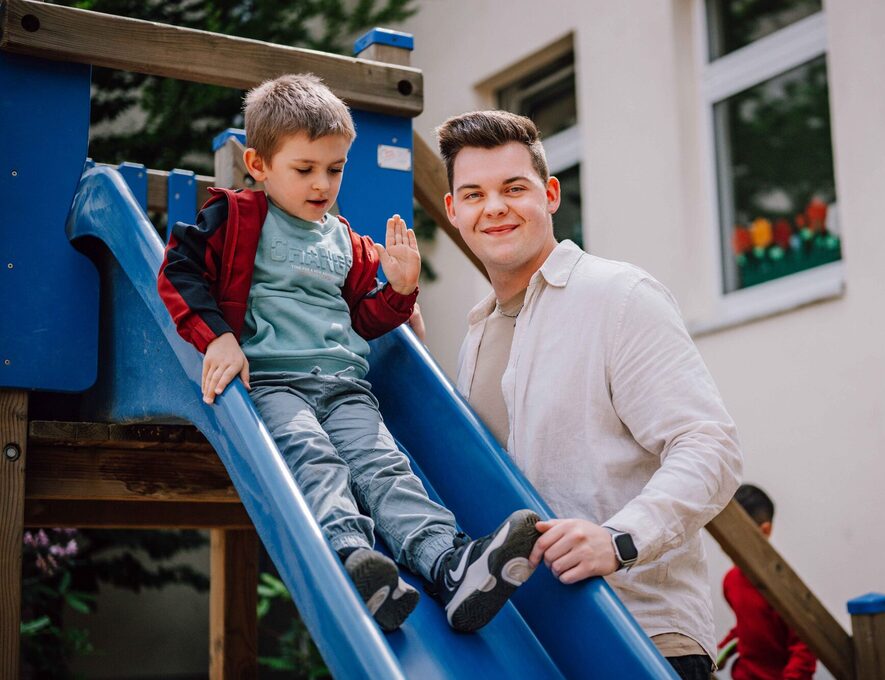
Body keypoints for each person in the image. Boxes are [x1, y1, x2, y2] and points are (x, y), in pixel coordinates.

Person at [157, 74, 541, 634]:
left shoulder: (347, 242)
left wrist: (400, 292)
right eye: (305, 169)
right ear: (259, 165)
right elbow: (178, 270)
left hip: (347, 388)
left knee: (385, 466)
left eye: (334, 169)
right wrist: (217, 336)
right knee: (314, 458)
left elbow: (363, 318)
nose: (322, 184)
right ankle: (353, 559)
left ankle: (447, 563)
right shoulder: (237, 218)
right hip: (274, 383)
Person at [437, 110, 743, 679]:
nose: (494, 207)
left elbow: (709, 446)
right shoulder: (475, 334)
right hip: (528, 647)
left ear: (550, 195)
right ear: (454, 211)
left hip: (641, 636)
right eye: (474, 194)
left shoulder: (619, 296)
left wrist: (619, 539)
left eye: (514, 188)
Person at [718, 484, 816, 679]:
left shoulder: (783, 586)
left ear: (764, 531)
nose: (727, 545)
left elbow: (804, 647)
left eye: (735, 537)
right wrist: (720, 651)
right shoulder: (730, 581)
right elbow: (747, 627)